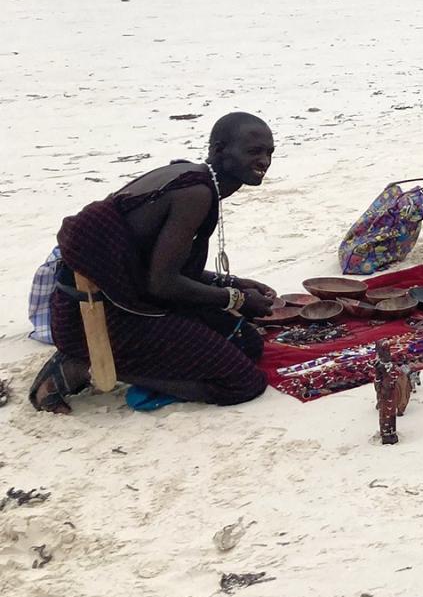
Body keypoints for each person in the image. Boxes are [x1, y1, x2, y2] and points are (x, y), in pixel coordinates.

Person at [29, 113, 278, 413]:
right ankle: (88, 362)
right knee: (243, 382)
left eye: (269, 152)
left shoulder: (197, 180)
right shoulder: (195, 193)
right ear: (219, 149)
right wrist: (236, 299)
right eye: (254, 151)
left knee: (246, 344)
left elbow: (158, 266)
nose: (264, 161)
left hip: (118, 300)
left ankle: (102, 358)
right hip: (99, 315)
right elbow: (162, 284)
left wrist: (229, 282)